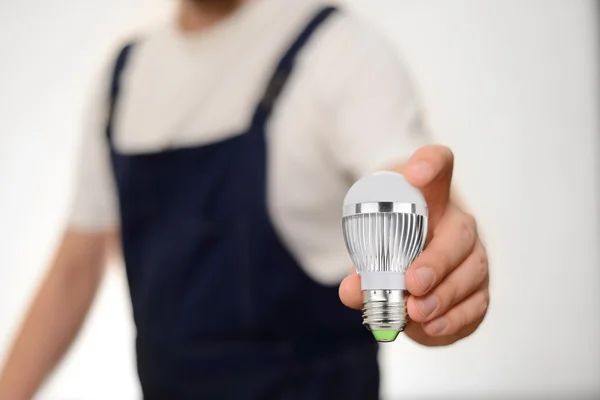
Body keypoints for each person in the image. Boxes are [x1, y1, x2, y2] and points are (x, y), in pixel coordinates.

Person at [0, 0, 490, 398]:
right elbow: (74, 270)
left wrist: (439, 266)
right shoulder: (122, 78)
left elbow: (412, 185)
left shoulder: (340, 53)